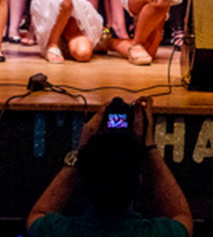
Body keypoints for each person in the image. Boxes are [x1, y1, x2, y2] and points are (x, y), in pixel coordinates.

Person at [28, 97, 193, 237]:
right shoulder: (152, 233)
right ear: (139, 182)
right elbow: (183, 218)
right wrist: (149, 145)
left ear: (82, 182)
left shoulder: (59, 231)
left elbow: (37, 215)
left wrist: (81, 150)